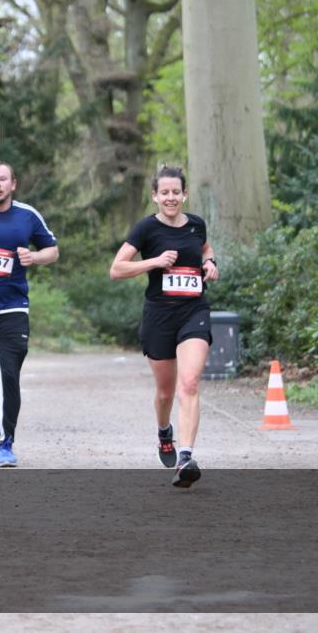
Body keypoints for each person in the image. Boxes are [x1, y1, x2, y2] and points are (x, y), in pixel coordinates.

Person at [109, 165, 219, 488]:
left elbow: (205, 247)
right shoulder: (146, 229)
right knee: (165, 391)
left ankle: (186, 457)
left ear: (185, 194)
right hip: (159, 315)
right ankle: (164, 432)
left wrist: (210, 262)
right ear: (155, 196)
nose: (171, 197)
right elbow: (116, 269)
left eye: (176, 192)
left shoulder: (196, 225)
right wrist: (154, 262)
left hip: (193, 311)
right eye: (164, 192)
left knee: (190, 382)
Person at [0, 162, 58, 467]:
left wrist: (35, 257)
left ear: (13, 184)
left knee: (9, 375)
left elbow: (52, 250)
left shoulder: (28, 215)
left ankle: (7, 443)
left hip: (13, 309)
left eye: (3, 179)